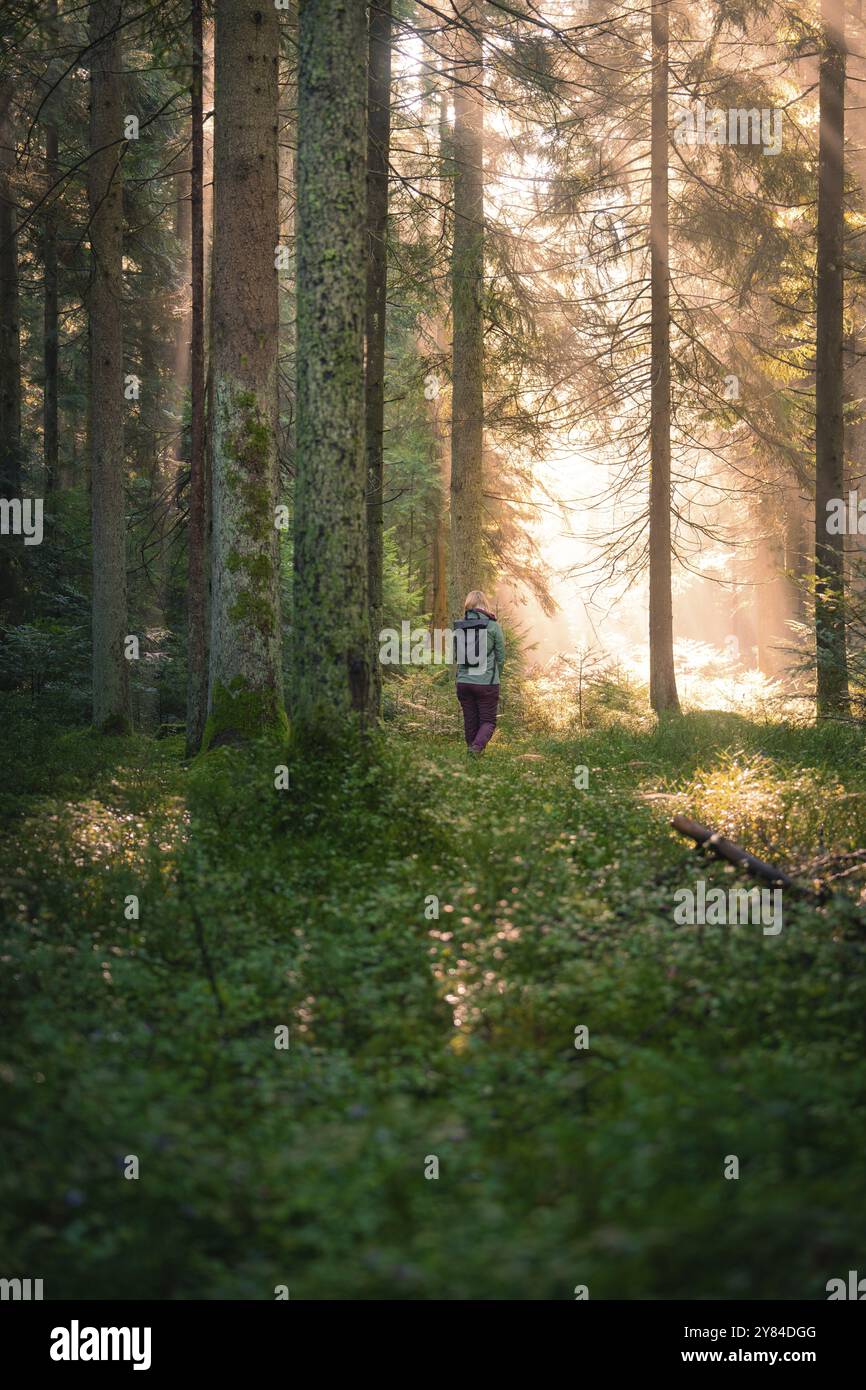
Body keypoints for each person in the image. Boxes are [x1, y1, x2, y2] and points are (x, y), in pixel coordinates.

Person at [455, 589, 505, 754]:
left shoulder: (459, 626)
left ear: (468, 605)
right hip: (486, 683)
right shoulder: (493, 626)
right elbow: (501, 656)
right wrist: (497, 675)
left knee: (470, 720)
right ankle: (476, 749)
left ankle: (472, 753)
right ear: (484, 605)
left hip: (463, 682)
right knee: (488, 721)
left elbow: (457, 655)